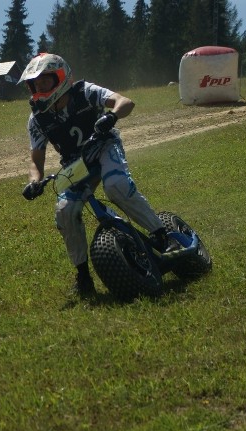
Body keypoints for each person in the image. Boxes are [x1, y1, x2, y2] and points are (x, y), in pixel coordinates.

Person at [19, 53, 178, 297]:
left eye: (44, 82)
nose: (39, 89)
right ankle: (83, 277)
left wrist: (112, 116)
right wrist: (34, 181)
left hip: (104, 146)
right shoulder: (37, 119)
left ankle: (164, 237)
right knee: (65, 211)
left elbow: (125, 102)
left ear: (60, 77)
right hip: (75, 164)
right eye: (35, 85)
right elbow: (36, 160)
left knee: (116, 186)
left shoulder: (85, 91)